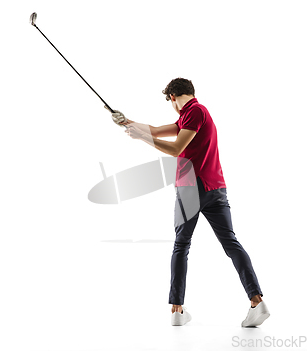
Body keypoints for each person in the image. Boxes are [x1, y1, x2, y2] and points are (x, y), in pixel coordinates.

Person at [111, 77, 269, 327]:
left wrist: (141, 137)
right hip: (215, 188)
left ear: (172, 97)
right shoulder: (191, 114)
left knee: (181, 245)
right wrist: (128, 123)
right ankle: (257, 301)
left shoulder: (194, 112)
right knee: (231, 243)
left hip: (190, 189)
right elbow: (156, 129)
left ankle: (177, 309)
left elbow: (175, 149)